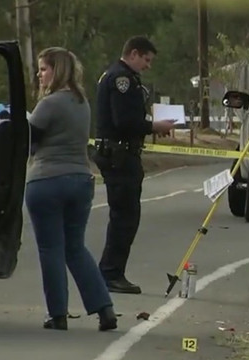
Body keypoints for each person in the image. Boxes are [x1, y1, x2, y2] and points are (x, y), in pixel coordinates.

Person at [25, 47, 118, 331]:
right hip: (80, 179)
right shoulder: (81, 103)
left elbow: (29, 141)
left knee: (50, 248)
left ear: (58, 70)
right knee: (75, 247)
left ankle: (58, 313)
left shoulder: (49, 104)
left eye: (43, 68)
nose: (39, 75)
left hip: (47, 179)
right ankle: (104, 308)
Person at [93, 35, 176, 294]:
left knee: (126, 216)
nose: (148, 66)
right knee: (124, 217)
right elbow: (124, 121)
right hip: (119, 157)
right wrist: (154, 126)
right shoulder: (122, 80)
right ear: (134, 54)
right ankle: (110, 273)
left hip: (121, 154)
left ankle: (111, 270)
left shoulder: (121, 76)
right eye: (146, 60)